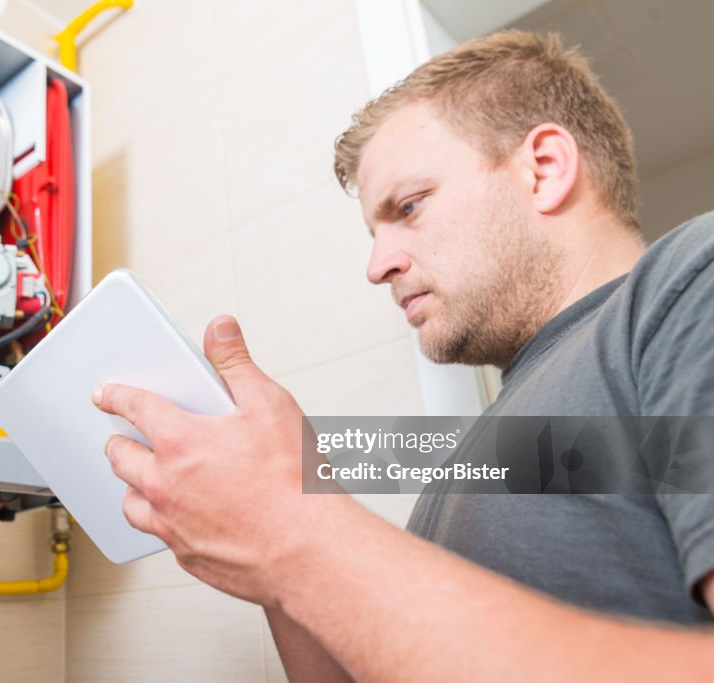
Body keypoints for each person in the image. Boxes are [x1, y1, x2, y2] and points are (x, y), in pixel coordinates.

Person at [91, 30, 714, 681]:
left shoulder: (690, 281)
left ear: (546, 168)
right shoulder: (496, 442)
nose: (376, 264)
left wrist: (291, 528)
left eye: (409, 206)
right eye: (373, 229)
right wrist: (268, 536)